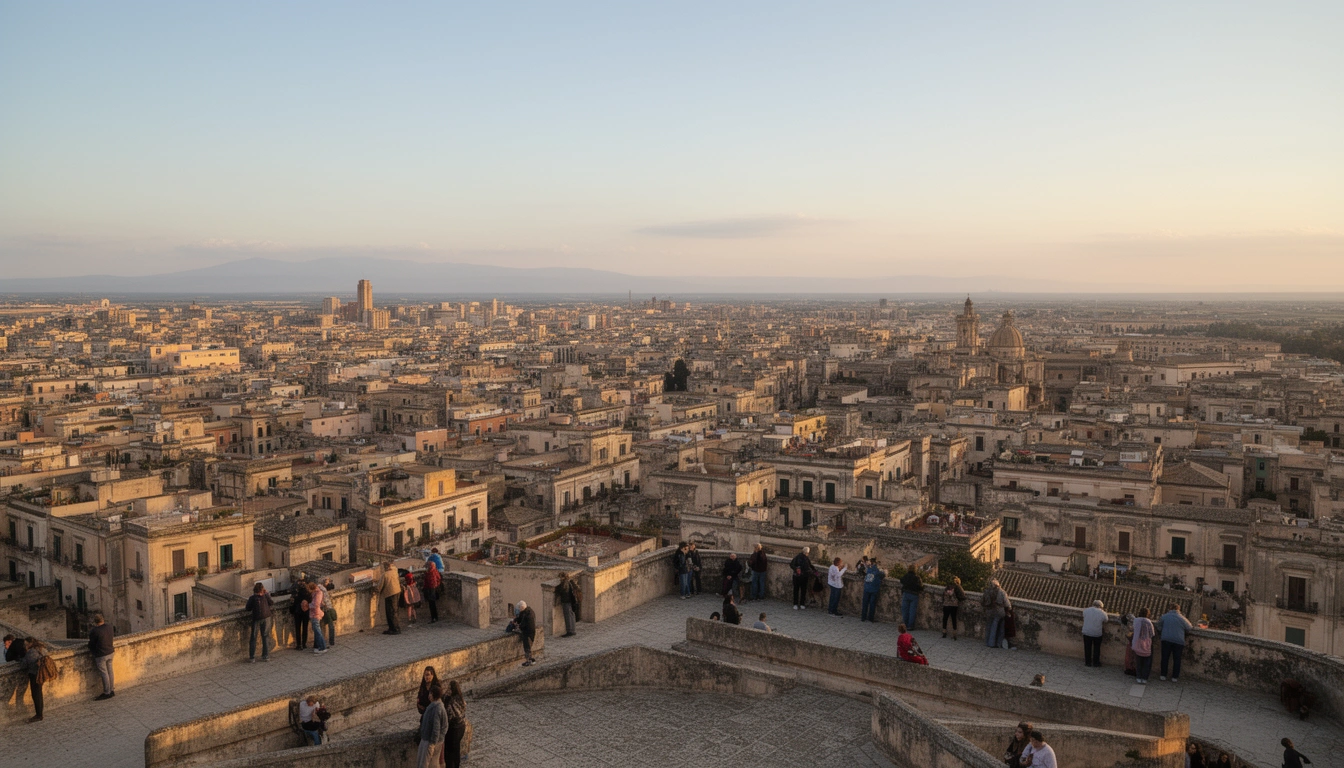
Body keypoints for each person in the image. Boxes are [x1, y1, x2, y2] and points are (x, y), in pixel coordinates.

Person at [1158, 602, 1193, 682]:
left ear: (1170, 608)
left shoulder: (1165, 617)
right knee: (1177, 659)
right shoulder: (1182, 618)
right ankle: (1175, 677)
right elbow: (1189, 627)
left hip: (1166, 639)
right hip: (1178, 641)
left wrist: (1163, 631)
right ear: (1178, 609)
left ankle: (1163, 675)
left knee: (1165, 658)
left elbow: (1158, 626)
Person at [417, 683, 447, 768]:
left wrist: (432, 743)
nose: (429, 696)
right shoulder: (434, 706)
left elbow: (436, 728)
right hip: (426, 739)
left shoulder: (437, 708)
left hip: (429, 741)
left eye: (430, 693)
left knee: (426, 764)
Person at [88, 612, 116, 700]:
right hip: (110, 652)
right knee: (110, 671)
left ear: (95, 622)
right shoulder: (109, 627)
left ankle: (107, 692)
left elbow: (91, 643)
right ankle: (111, 690)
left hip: (101, 654)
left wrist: (92, 651)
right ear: (103, 620)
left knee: (104, 673)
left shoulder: (95, 631)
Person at [245, 582, 274, 663]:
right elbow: (271, 603)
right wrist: (267, 594)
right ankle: (265, 656)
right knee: (265, 636)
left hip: (256, 618)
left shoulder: (252, 598)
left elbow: (248, 608)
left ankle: (252, 657)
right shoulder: (265, 596)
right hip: (266, 617)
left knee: (253, 637)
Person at [21, 639, 47, 722]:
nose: (25, 646)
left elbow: (24, 665)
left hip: (35, 674)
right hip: (42, 674)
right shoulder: (42, 649)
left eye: (26, 644)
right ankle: (40, 713)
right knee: (39, 693)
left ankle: (39, 715)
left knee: (36, 694)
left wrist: (23, 656)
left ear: (30, 643)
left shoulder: (31, 652)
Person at [443, 679, 467, 768]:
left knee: (449, 752)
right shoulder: (460, 698)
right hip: (461, 726)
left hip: (453, 729)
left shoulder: (451, 701)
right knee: (456, 749)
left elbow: (449, 715)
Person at [982, 578, 1010, 648]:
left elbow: (982, 602)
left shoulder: (986, 591)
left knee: (989, 626)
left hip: (989, 610)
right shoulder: (1002, 592)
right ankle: (996, 643)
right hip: (999, 611)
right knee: (997, 627)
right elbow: (1007, 604)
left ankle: (987, 642)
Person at [1131, 607, 1155, 684]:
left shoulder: (1136, 620)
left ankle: (1138, 677)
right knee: (1147, 662)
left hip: (1137, 643)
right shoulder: (1148, 622)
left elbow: (1133, 629)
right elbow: (1152, 634)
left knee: (1138, 661)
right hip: (1146, 643)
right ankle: (1144, 678)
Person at [1082, 599, 1107, 667]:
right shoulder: (1102, 613)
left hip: (1086, 632)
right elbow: (1106, 620)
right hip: (1097, 633)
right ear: (1101, 606)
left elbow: (1083, 615)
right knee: (1096, 648)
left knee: (1087, 648)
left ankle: (1088, 662)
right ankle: (1096, 663)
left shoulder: (1086, 610)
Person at [379, 561, 403, 635]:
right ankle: (394, 627)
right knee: (395, 611)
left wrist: (376, 590)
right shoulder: (395, 572)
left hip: (390, 593)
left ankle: (394, 629)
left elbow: (379, 586)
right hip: (397, 592)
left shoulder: (385, 575)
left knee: (390, 612)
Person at [556, 571, 580, 637]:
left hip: (566, 601)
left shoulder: (565, 583)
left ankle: (569, 631)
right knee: (571, 615)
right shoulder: (569, 582)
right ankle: (573, 630)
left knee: (568, 616)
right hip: (571, 601)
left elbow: (561, 591)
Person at [306, 581, 328, 654]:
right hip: (314, 614)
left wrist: (308, 606)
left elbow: (316, 604)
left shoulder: (318, 593)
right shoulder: (315, 593)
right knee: (316, 631)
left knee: (318, 632)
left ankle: (322, 647)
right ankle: (317, 647)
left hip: (316, 614)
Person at [899, 563, 923, 629]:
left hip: (906, 594)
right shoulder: (917, 578)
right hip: (914, 595)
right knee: (912, 611)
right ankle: (910, 626)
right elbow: (921, 587)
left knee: (905, 610)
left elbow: (901, 580)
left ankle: (905, 624)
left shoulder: (906, 576)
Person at [862, 558, 885, 622]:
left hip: (867, 588)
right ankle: (871, 618)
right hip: (874, 589)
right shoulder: (878, 571)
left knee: (865, 603)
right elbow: (883, 575)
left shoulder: (868, 569)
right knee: (872, 604)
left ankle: (863, 617)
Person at [290, 580, 311, 649]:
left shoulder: (296, 594)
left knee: (298, 629)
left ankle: (298, 645)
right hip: (306, 612)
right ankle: (304, 644)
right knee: (305, 628)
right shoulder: (308, 594)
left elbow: (293, 604)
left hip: (298, 613)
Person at [516, 600, 537, 666]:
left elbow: (524, 624)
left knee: (527, 647)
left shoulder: (527, 615)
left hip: (528, 633)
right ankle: (530, 659)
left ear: (521, 607)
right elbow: (520, 618)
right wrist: (516, 620)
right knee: (528, 647)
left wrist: (519, 626)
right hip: (531, 632)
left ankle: (529, 660)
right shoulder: (528, 611)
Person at [320, 578, 338, 647]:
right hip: (327, 609)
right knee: (330, 625)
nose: (328, 584)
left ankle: (324, 640)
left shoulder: (321, 589)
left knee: (323, 625)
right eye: (327, 582)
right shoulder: (323, 590)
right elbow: (324, 600)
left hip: (325, 609)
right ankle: (331, 641)